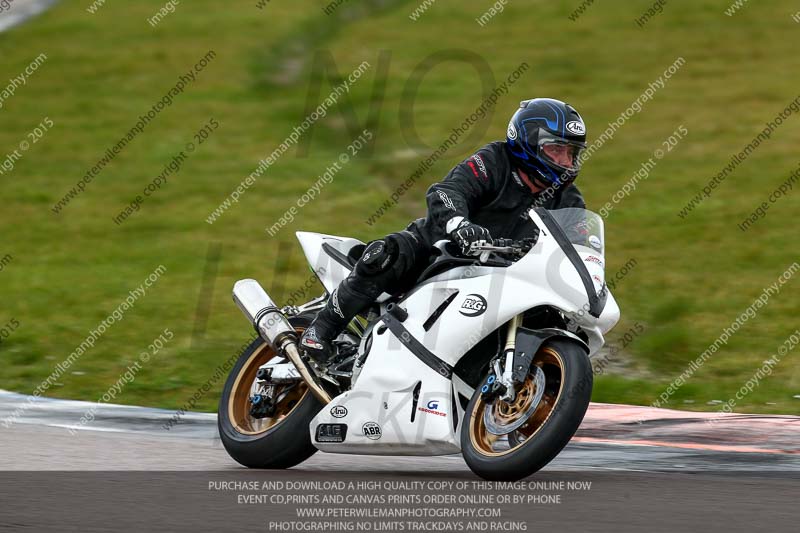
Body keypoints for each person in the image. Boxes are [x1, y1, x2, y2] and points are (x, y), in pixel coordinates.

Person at [300, 98, 588, 364]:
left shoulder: (568, 199)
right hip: (438, 252)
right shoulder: (494, 160)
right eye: (556, 150)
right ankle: (321, 329)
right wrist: (460, 225)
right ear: (528, 143)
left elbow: (579, 248)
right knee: (385, 254)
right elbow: (448, 192)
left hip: (502, 278)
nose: (565, 161)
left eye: (571, 153)